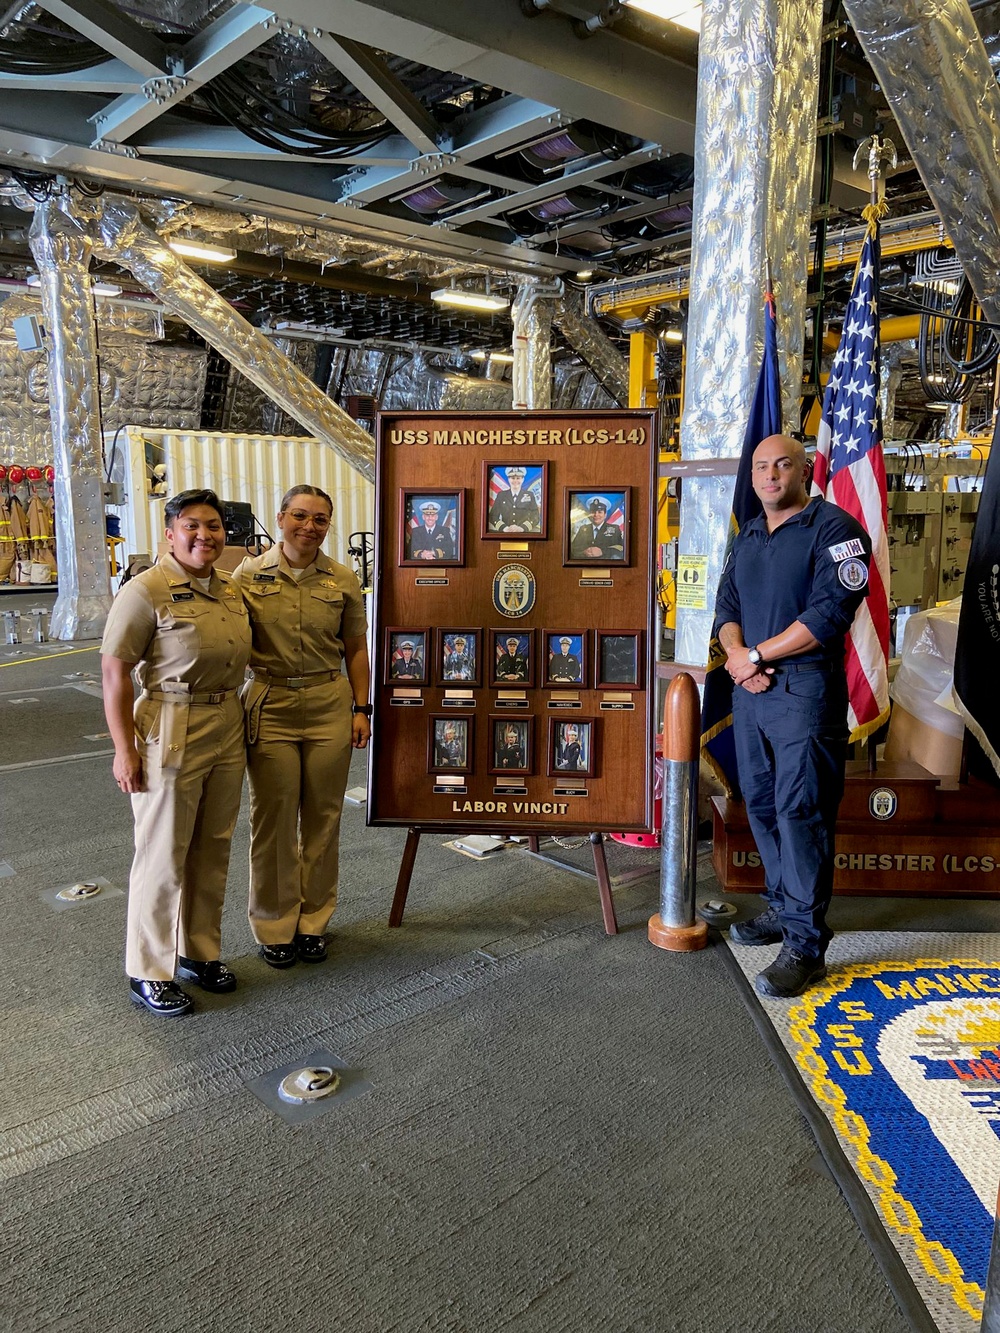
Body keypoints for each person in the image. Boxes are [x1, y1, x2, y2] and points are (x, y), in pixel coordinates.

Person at [714, 433, 872, 999]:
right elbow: (726, 605)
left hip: (804, 692)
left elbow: (829, 614)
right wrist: (738, 657)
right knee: (759, 802)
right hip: (749, 690)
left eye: (783, 464)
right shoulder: (749, 535)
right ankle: (784, 909)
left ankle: (806, 944)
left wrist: (757, 656)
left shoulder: (836, 531)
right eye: (761, 467)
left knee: (800, 810)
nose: (770, 475)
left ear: (805, 469)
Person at [101, 488, 251, 1016]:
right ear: (170, 532)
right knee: (162, 854)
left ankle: (198, 952)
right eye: (191, 525)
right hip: (169, 724)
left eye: (213, 526)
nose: (203, 536)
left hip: (226, 721)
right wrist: (124, 750)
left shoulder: (230, 591)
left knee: (212, 848)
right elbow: (115, 673)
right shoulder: (146, 591)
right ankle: (148, 969)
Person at [233, 485, 370, 969]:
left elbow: (356, 649)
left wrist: (362, 709)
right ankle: (273, 924)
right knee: (272, 818)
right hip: (270, 702)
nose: (308, 526)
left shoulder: (343, 579)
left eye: (319, 519)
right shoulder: (247, 576)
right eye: (299, 516)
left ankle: (313, 921)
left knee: (323, 817)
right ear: (281, 517)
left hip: (329, 702)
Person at [488, 465, 540, 533]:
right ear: (508, 479)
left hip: (524, 533)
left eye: (518, 478)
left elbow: (535, 516)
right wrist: (504, 528)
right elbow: (493, 516)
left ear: (522, 479)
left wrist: (522, 528)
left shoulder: (530, 495)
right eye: (512, 478)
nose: (515, 481)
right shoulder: (501, 495)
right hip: (505, 533)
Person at [570, 495, 624, 560]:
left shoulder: (614, 529)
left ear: (605, 514)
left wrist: (602, 551)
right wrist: (583, 552)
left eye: (600, 512)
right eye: (593, 512)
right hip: (586, 565)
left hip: (607, 565)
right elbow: (573, 550)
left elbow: (621, 548)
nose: (596, 515)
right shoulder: (583, 529)